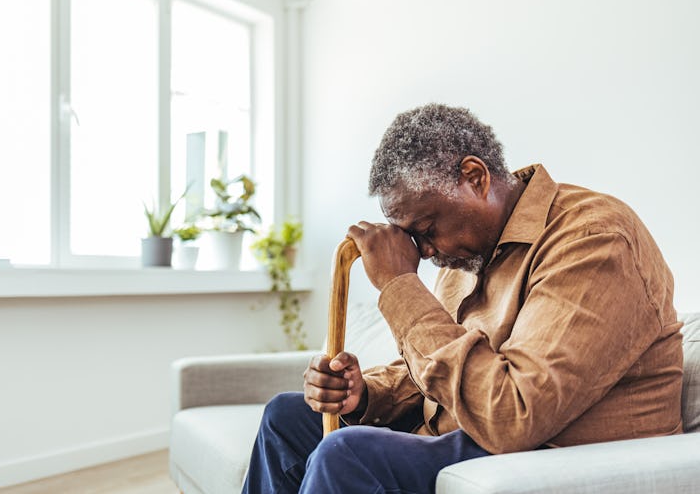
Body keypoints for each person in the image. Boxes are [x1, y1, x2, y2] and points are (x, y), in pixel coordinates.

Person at [241, 103, 684, 494]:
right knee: (285, 417)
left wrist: (400, 286)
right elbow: (435, 380)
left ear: (475, 177)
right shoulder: (467, 260)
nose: (426, 252)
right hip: (475, 437)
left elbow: (514, 414)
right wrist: (364, 395)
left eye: (427, 230)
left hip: (551, 454)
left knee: (347, 454)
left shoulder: (591, 238)